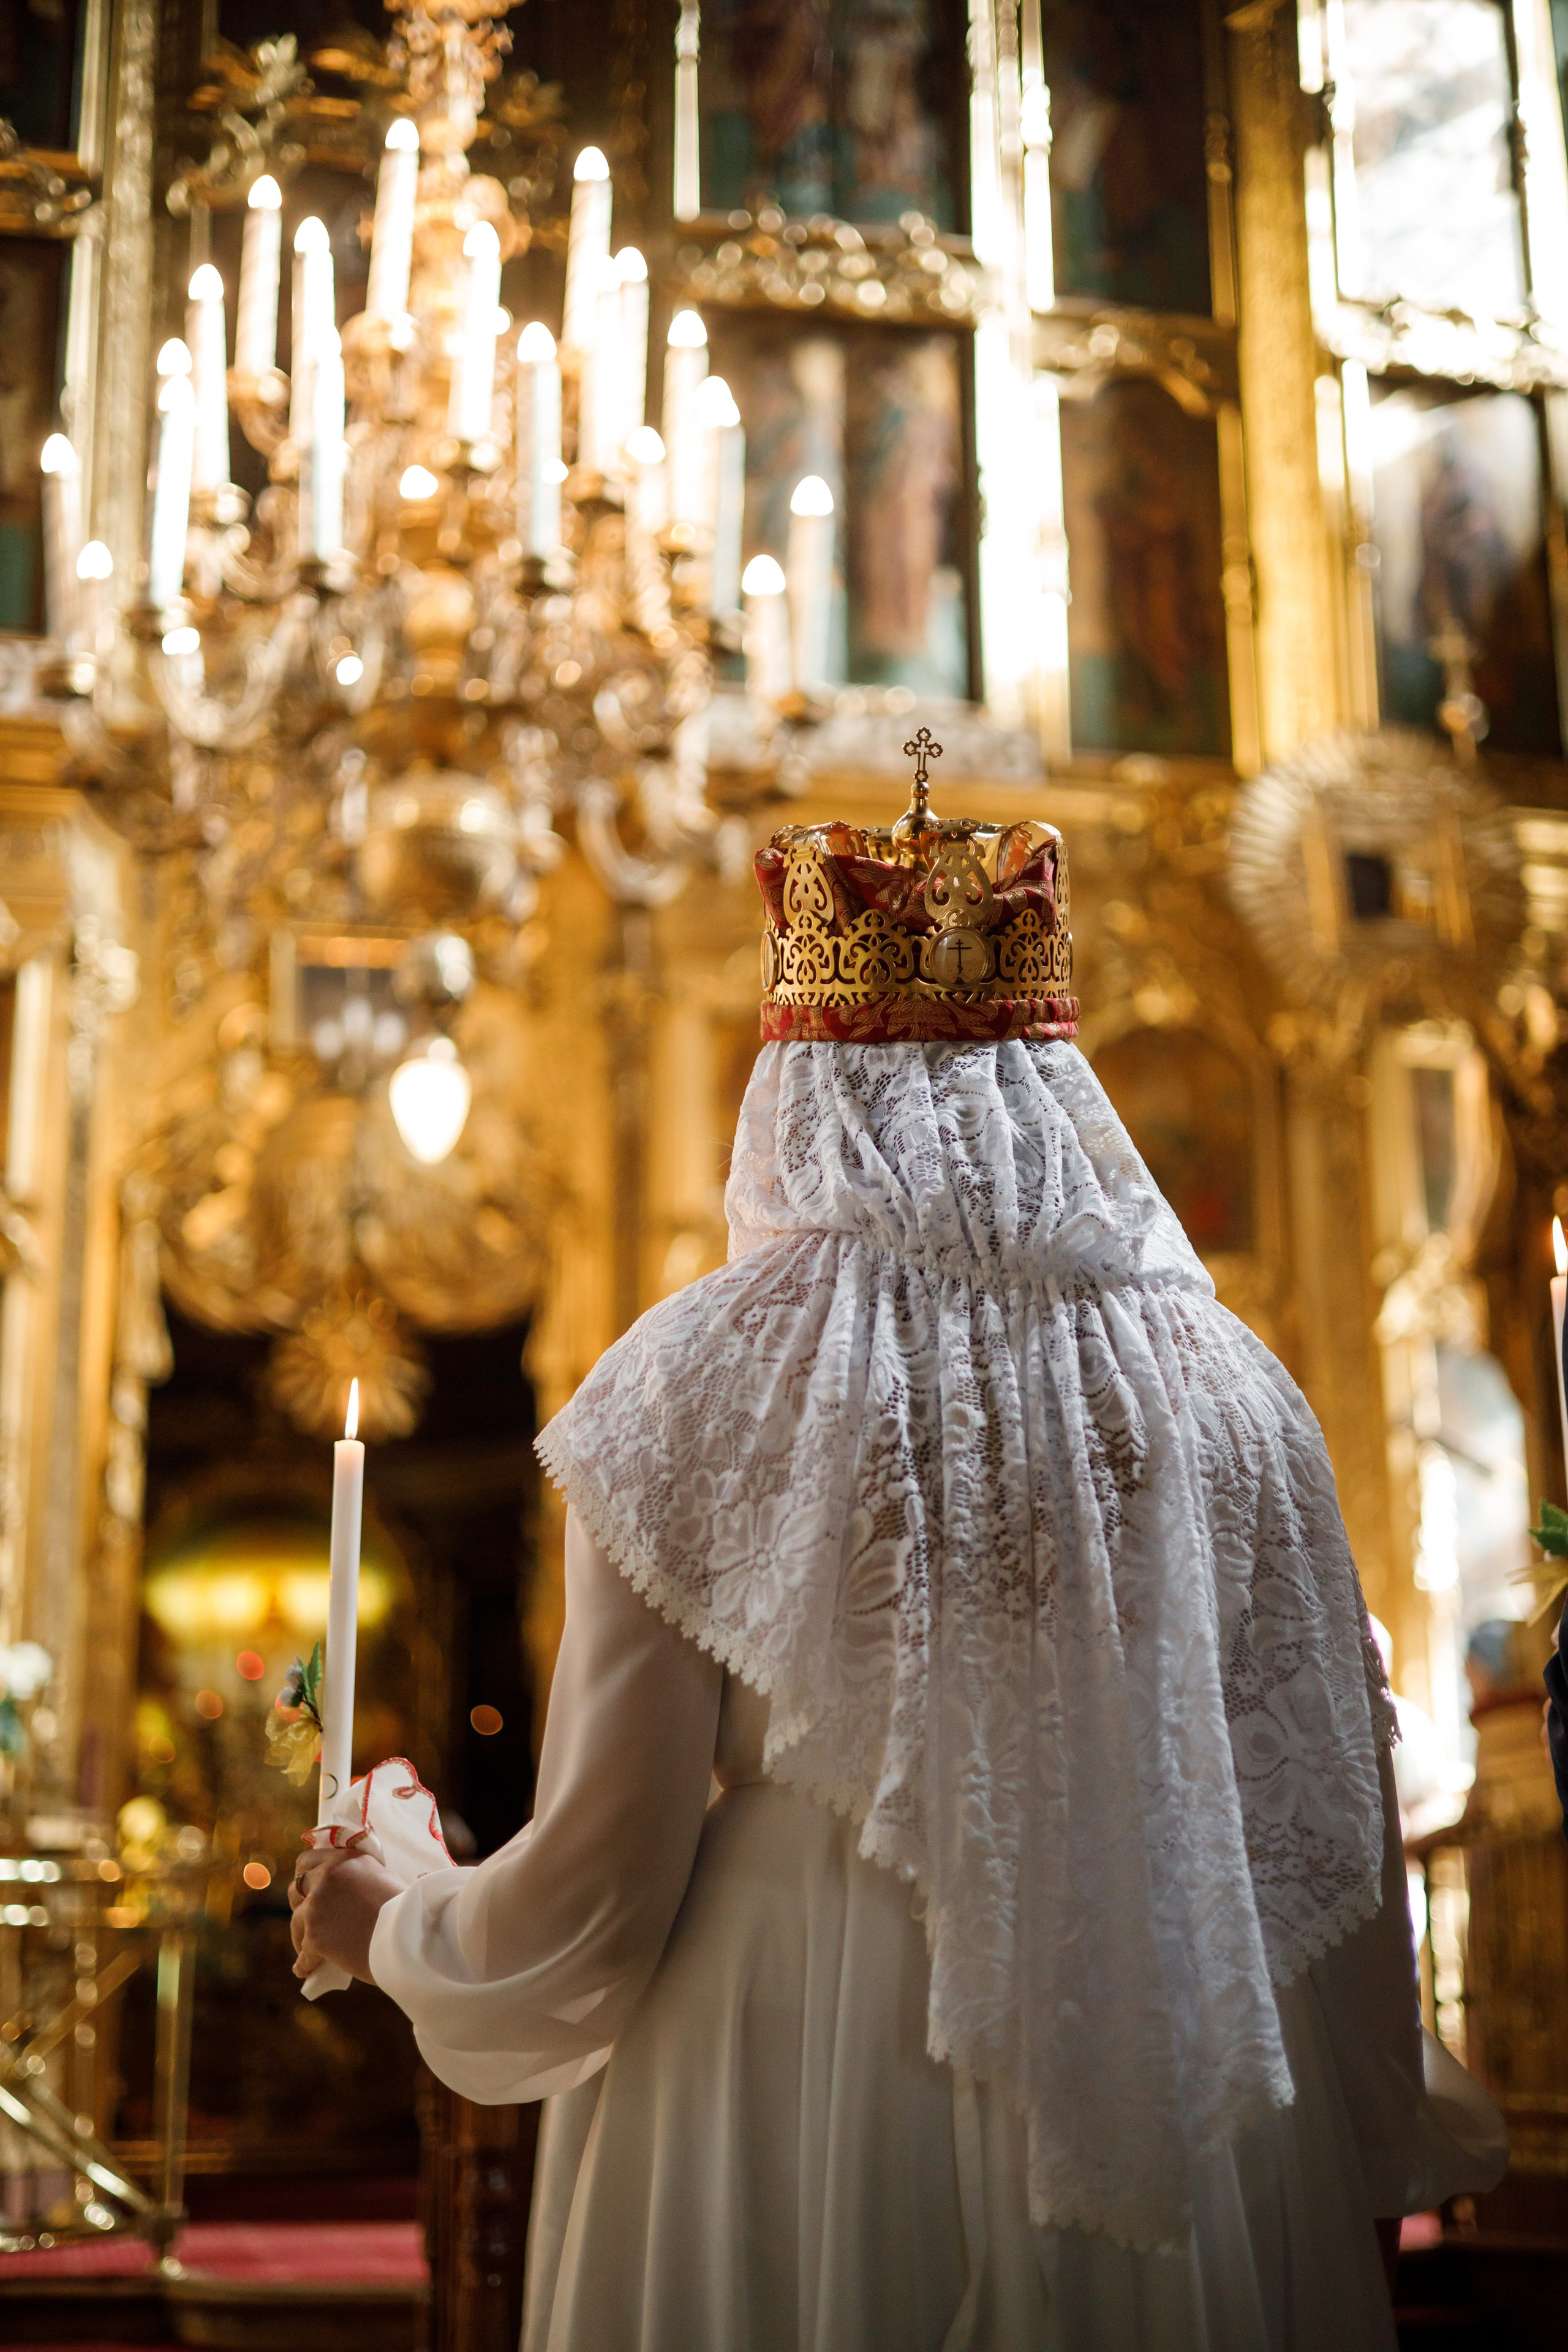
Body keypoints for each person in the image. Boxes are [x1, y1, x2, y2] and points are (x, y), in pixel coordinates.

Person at [292, 750, 1506, 2350]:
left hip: (795, 2066)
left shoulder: (698, 1380)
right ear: (1058, 1084)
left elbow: (596, 1898)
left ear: (792, 1085)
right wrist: (1339, 2156)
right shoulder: (1242, 1392)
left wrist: (395, 1920)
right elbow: (1330, 1848)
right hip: (1184, 2064)